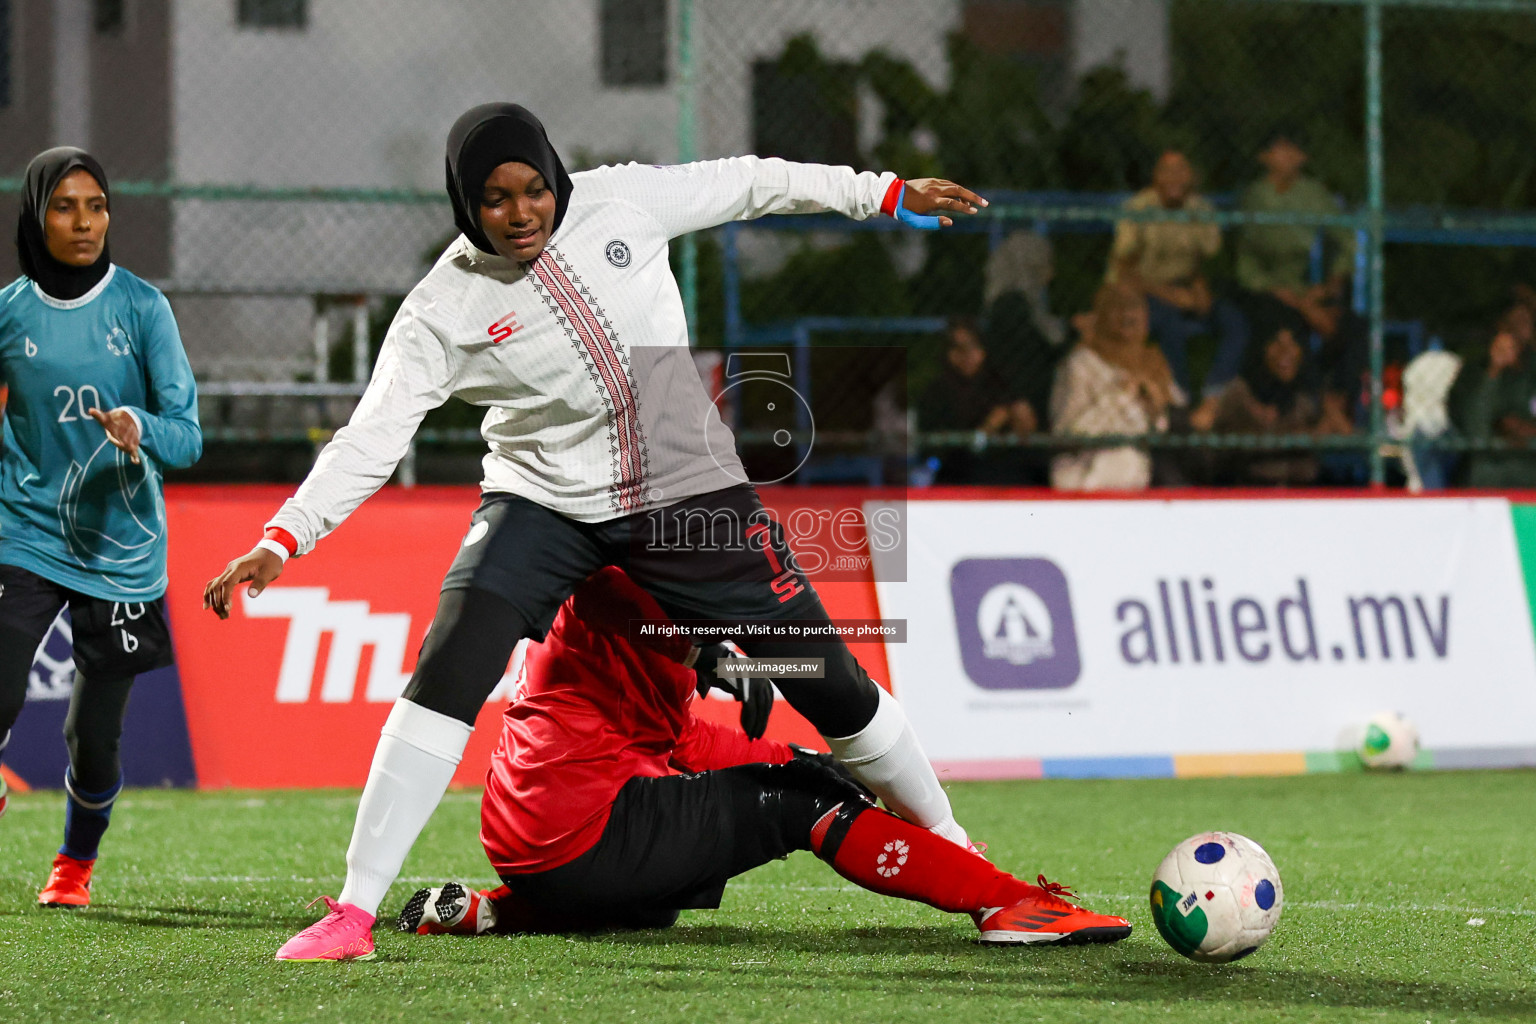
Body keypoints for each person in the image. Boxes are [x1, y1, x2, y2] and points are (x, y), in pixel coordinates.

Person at [201, 103, 991, 962]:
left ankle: (959, 852)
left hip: (685, 489)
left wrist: (879, 193)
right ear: (466, 204)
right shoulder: (442, 309)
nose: (520, 212)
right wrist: (284, 538)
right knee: (452, 659)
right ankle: (353, 915)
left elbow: (756, 183)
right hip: (544, 499)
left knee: (825, 677)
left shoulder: (624, 202)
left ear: (557, 178)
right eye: (495, 198)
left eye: (534, 189)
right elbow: (372, 435)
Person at [394, 567, 1131, 947]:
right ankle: (1007, 904)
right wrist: (725, 659)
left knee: (662, 900)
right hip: (582, 828)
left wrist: (804, 754)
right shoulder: (618, 580)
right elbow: (635, 611)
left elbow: (679, 738)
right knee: (797, 805)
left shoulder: (616, 579)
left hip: (535, 837)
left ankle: (496, 913)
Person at [0, 148, 202, 905]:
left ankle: (74, 864)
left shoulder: (143, 308)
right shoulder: (9, 314)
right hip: (21, 532)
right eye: (64, 206)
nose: (83, 222)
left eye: (96, 206)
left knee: (93, 739)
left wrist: (139, 427)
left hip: (122, 548)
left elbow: (189, 437)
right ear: (36, 214)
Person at [1234, 131, 1363, 437]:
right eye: (1279, 150)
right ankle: (1309, 414)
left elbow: (1348, 242)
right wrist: (1303, 305)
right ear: (1264, 158)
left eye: (1293, 150)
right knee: (1287, 333)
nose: (1287, 157)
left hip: (1305, 290)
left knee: (1356, 328)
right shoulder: (1255, 197)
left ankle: (1337, 405)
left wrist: (1331, 284)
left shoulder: (1313, 194)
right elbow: (1247, 266)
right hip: (1267, 292)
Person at [1108, 150, 1247, 419]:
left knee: (1235, 322)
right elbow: (1125, 270)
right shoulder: (1137, 209)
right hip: (1143, 291)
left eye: (1181, 170)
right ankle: (1179, 405)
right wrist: (1171, 295)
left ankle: (1212, 398)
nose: (1174, 177)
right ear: (1155, 177)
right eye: (1166, 171)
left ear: (1191, 177)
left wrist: (1199, 290)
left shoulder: (1201, 210)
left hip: (1186, 287)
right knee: (1168, 323)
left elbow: (1209, 261)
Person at [1049, 282, 1184, 491]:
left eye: (1134, 307)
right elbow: (1068, 433)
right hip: (1087, 472)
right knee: (1124, 458)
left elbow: (1174, 423)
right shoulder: (1081, 364)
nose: (1127, 314)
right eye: (1117, 307)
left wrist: (1156, 406)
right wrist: (1122, 394)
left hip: (1146, 469)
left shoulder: (1153, 361)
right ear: (1102, 315)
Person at [1209, 306, 1322, 486]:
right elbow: (1216, 456)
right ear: (1260, 346)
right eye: (1276, 342)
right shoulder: (1237, 393)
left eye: (1293, 342)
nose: (1285, 352)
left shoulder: (1306, 399)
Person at [916, 317, 1036, 484]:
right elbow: (935, 451)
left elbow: (1026, 425)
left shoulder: (998, 383)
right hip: (956, 476)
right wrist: (984, 431)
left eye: (973, 346)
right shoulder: (937, 391)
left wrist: (1009, 417)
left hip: (1003, 475)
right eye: (957, 348)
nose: (966, 355)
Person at [1449, 304, 1536, 488]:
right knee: (1484, 466)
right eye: (1515, 322)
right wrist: (1494, 370)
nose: (1522, 329)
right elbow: (1476, 430)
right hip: (1493, 468)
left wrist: (1521, 428)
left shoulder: (1531, 370)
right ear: (1500, 327)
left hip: (1530, 463)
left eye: (1527, 321)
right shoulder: (1475, 371)